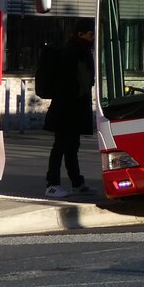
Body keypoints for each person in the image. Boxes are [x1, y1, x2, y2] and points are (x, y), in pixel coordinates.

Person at [44, 18, 96, 198]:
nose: (93, 37)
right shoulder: (72, 51)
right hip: (66, 109)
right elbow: (73, 82)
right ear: (80, 33)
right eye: (90, 34)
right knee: (61, 146)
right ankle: (52, 184)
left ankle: (77, 182)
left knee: (72, 146)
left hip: (74, 108)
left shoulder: (82, 50)